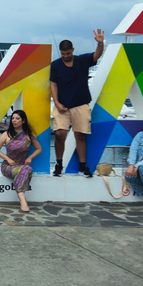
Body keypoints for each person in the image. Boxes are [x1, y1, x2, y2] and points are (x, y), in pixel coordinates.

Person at [50, 30, 105, 178]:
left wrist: (100, 43)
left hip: (81, 104)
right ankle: (59, 164)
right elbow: (53, 84)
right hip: (61, 105)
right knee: (59, 133)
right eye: (63, 54)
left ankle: (82, 166)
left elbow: (97, 55)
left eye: (68, 53)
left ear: (73, 50)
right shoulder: (55, 65)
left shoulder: (82, 60)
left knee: (80, 135)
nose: (65, 56)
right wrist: (56, 102)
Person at [0, 110, 42, 213]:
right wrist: (8, 159)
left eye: (17, 118)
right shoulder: (6, 134)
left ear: (23, 121)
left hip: (22, 165)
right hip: (8, 166)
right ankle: (23, 201)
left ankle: (22, 200)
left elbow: (39, 149)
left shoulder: (29, 135)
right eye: (13, 118)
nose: (14, 120)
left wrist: (30, 158)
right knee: (25, 170)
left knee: (26, 169)